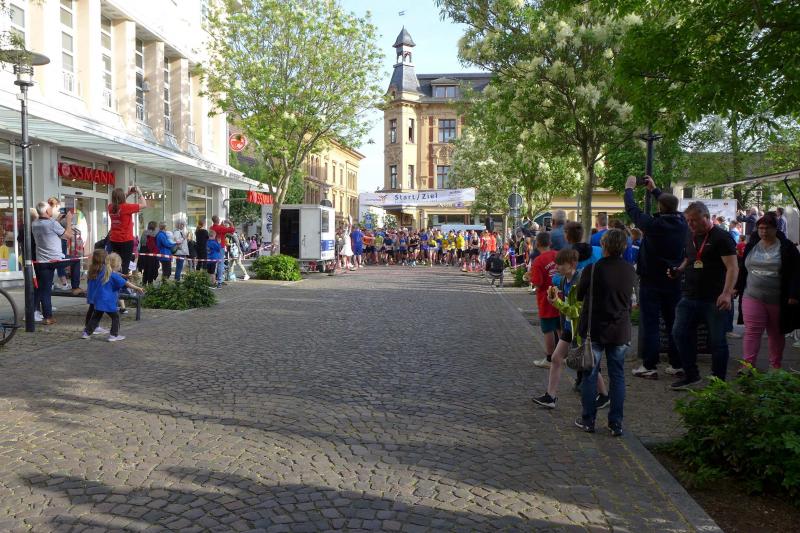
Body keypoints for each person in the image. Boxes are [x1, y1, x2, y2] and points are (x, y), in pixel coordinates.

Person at [624, 176, 688, 380]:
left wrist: (629, 189)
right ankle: (677, 364)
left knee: (650, 323)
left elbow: (632, 210)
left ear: (660, 207)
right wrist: (655, 190)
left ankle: (649, 366)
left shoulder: (653, 225)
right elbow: (671, 206)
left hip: (651, 279)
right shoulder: (683, 223)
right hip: (673, 278)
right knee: (673, 322)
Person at [670, 201, 738, 389]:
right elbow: (690, 257)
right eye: (688, 220)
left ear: (706, 217)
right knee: (679, 333)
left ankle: (718, 381)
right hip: (690, 295)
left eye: (694, 220)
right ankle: (691, 375)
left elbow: (733, 267)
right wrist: (679, 270)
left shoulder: (722, 237)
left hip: (714, 298)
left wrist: (727, 293)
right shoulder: (690, 234)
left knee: (717, 341)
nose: (690, 224)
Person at [574, 229, 635, 436]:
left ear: (604, 246)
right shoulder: (629, 270)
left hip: (594, 329)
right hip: (619, 329)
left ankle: (588, 420)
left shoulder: (592, 269)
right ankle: (615, 423)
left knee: (590, 374)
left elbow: (580, 295)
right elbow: (630, 300)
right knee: (617, 375)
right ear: (624, 247)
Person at [531, 248, 609, 409]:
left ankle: (604, 394)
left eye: (561, 264)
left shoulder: (579, 281)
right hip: (569, 326)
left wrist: (557, 303)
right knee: (556, 358)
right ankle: (550, 396)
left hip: (579, 328)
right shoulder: (563, 280)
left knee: (588, 363)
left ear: (572, 264)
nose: (557, 267)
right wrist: (553, 294)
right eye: (557, 264)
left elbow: (577, 311)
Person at [735, 212, 800, 371]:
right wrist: (737, 287)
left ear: (775, 229)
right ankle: (748, 366)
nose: (764, 231)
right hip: (752, 295)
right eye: (761, 228)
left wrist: (794, 294)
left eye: (767, 228)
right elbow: (743, 269)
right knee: (752, 331)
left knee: (776, 333)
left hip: (778, 298)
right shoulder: (752, 245)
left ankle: (775, 366)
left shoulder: (787, 247)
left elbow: (797, 272)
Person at [83, 252, 144, 342]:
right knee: (115, 317)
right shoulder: (114, 276)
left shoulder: (102, 272)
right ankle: (113, 335)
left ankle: (86, 333)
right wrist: (137, 288)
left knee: (96, 317)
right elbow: (126, 283)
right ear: (118, 265)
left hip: (98, 300)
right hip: (108, 302)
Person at [31, 201, 74, 325]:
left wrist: (57, 220)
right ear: (46, 211)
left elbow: (48, 227)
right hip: (55, 259)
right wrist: (69, 221)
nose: (52, 210)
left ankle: (48, 317)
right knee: (76, 261)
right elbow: (69, 235)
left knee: (45, 290)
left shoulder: (35, 223)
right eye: (50, 208)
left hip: (42, 261)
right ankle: (75, 286)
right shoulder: (52, 223)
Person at [530, 232, 560, 368]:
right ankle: (563, 355)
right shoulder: (558, 255)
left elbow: (537, 283)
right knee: (560, 326)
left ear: (537, 244)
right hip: (561, 295)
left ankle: (549, 359)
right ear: (550, 243)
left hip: (546, 299)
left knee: (548, 329)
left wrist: (531, 277)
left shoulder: (538, 261)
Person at [108, 186, 147, 277]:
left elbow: (118, 200)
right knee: (125, 265)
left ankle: (115, 281)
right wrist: (139, 192)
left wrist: (128, 193)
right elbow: (144, 205)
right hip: (126, 240)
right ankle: (123, 284)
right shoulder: (126, 207)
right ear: (122, 197)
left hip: (114, 240)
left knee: (116, 264)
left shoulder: (110, 207)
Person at [140, 221, 160, 285]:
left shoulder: (144, 232)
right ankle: (150, 284)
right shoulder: (156, 233)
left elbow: (141, 242)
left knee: (146, 268)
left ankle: (144, 283)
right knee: (151, 268)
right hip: (151, 253)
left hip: (144, 253)